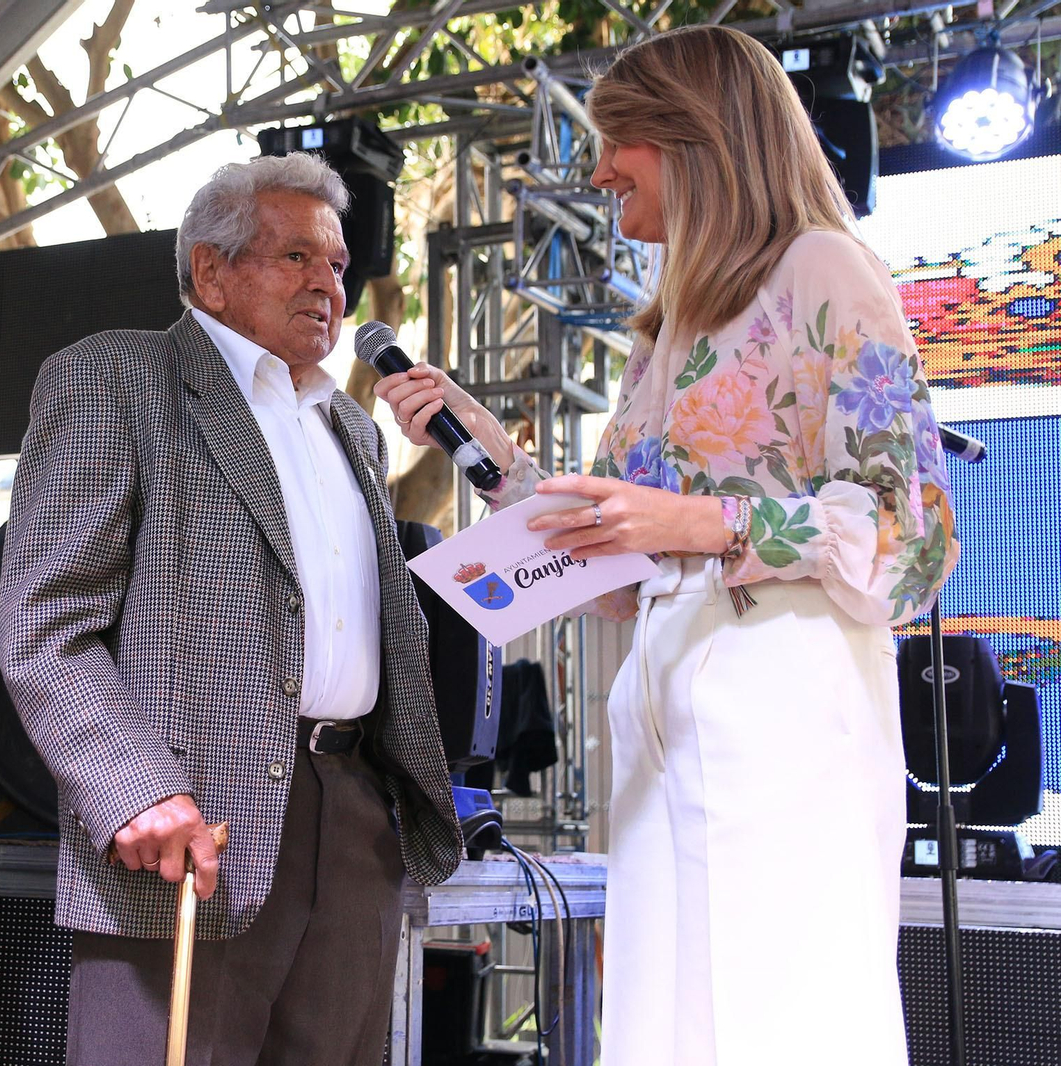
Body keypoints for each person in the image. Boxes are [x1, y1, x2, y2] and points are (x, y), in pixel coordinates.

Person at [375, 25, 957, 1066]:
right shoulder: (665, 335)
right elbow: (612, 554)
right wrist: (489, 450)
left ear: (695, 139)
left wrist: (713, 524)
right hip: (657, 719)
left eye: (618, 143)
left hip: (784, 706)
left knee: (779, 1017)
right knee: (665, 1023)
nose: (595, 172)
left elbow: (912, 530)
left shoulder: (823, 269)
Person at [0, 152, 462, 1065]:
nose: (328, 284)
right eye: (296, 258)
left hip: (355, 813)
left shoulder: (352, 427)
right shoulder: (115, 378)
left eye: (336, 264)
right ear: (210, 270)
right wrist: (133, 788)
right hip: (191, 822)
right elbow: (44, 622)